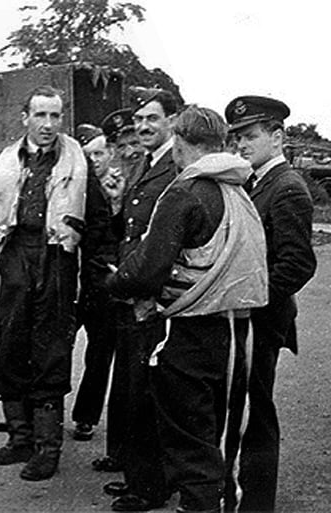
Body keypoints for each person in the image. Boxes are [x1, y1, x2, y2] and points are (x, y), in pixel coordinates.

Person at [107, 105, 269, 513]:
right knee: (220, 436)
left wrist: (114, 282)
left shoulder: (184, 192)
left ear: (179, 142)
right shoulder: (236, 189)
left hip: (190, 331)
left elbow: (147, 270)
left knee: (189, 441)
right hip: (238, 331)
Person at [0, 85, 111, 481]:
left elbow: (99, 220)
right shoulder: (5, 159)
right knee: (10, 347)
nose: (48, 124)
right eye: (40, 115)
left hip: (57, 261)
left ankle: (47, 449)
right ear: (25, 118)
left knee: (50, 351)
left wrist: (93, 270)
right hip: (16, 258)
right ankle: (20, 439)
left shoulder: (77, 161)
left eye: (55, 116)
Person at [224, 95, 317, 512]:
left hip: (262, 319)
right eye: (238, 137)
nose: (242, 144)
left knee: (256, 409)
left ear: (277, 137)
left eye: (251, 135)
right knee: (244, 404)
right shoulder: (256, 182)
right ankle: (240, 494)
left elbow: (298, 264)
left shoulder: (287, 187)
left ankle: (257, 504)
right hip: (249, 318)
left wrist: (253, 300)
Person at [101, 87, 179, 512]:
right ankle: (138, 475)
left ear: (172, 120)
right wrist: (116, 202)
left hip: (153, 297)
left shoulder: (175, 166)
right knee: (134, 386)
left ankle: (151, 486)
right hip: (132, 292)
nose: (144, 127)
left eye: (152, 118)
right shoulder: (144, 164)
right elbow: (130, 229)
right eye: (139, 121)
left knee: (149, 391)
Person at [69, 123, 119, 443]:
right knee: (57, 347)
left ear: (109, 153)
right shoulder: (72, 185)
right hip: (74, 283)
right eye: (88, 155)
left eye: (99, 153)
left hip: (103, 284)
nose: (94, 161)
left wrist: (117, 204)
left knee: (100, 355)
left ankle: (86, 417)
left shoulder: (124, 186)